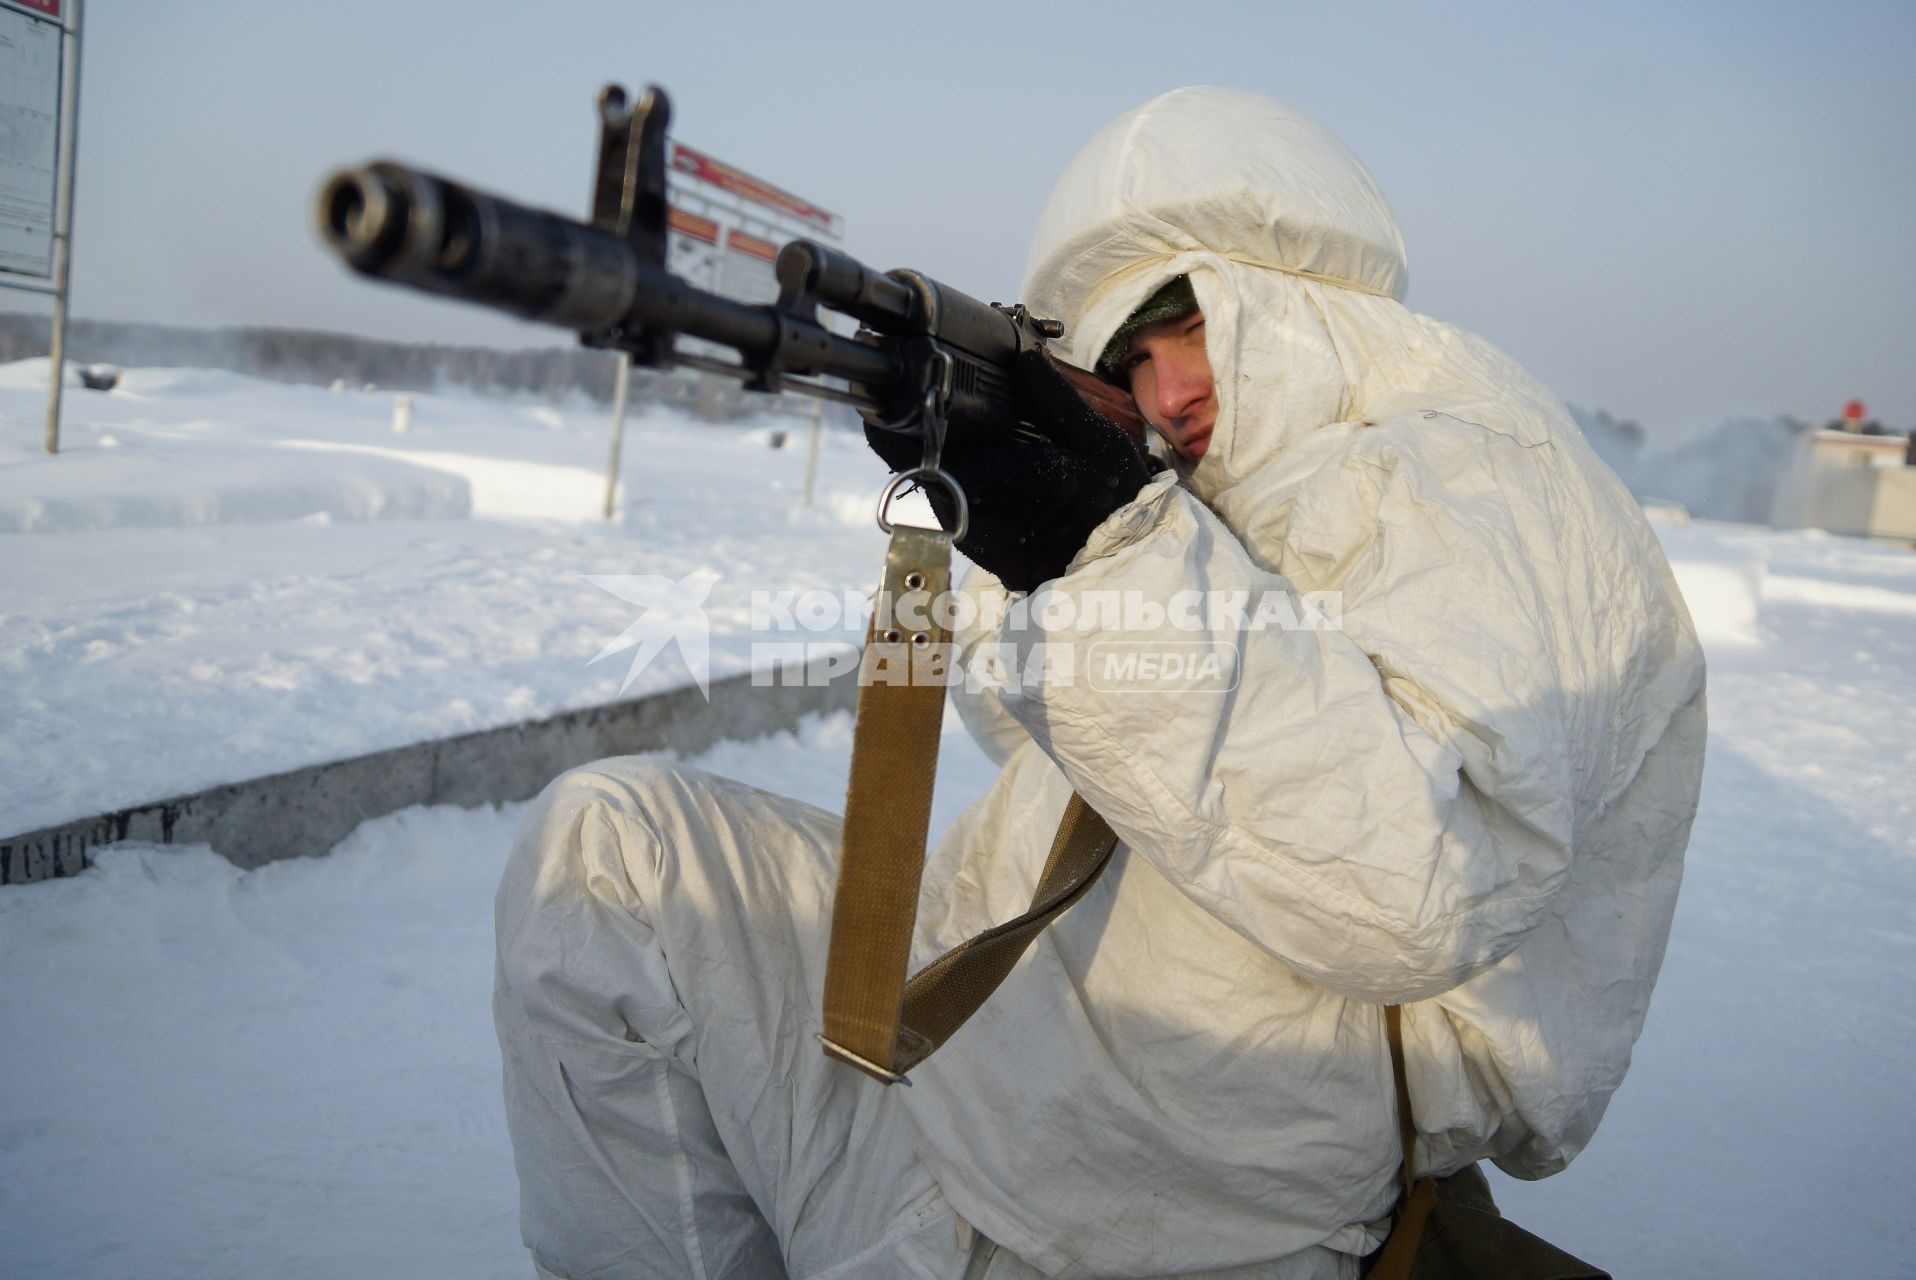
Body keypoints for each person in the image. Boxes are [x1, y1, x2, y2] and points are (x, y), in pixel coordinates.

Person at [492, 86, 1706, 1280]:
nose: (1171, 389)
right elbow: (1022, 743)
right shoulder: (1202, 487)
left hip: (1184, 1203)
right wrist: (1022, 539)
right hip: (950, 1065)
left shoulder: (1471, 474)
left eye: (1193, 322)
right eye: (1126, 357)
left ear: (1296, 300)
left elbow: (1412, 892)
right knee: (607, 850)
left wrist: (1106, 550)